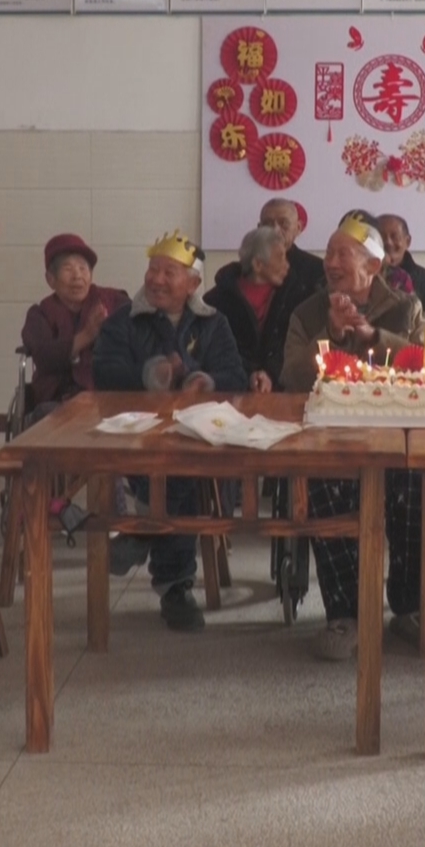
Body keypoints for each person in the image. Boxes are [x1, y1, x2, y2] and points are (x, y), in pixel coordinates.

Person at [281, 218, 425, 661]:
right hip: (332, 440)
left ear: (372, 265)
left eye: (342, 254)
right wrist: (331, 336)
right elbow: (291, 375)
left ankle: (409, 608)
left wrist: (375, 338)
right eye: (329, 253)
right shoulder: (307, 312)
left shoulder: (407, 308)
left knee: (415, 490)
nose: (330, 263)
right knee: (325, 493)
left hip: (397, 437)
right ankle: (346, 614)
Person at [94, 232, 250, 632]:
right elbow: (105, 374)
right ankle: (175, 586)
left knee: (184, 466)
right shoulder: (123, 321)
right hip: (138, 435)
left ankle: (145, 533)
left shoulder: (213, 323)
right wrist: (151, 376)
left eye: (169, 272)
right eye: (153, 269)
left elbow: (234, 375)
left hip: (197, 434)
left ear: (193, 284)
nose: (156, 279)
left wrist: (203, 380)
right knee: (175, 472)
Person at [20, 233, 130, 418]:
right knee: (45, 415)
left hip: (105, 395)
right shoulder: (40, 314)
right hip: (58, 399)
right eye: (68, 268)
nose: (77, 276)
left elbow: (137, 326)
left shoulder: (112, 301)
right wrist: (87, 335)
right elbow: (43, 356)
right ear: (50, 279)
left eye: (83, 268)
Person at [206, 224, 305, 393]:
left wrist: (270, 374)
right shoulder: (217, 300)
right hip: (232, 390)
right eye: (280, 258)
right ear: (258, 265)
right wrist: (250, 374)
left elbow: (293, 346)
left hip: (281, 389)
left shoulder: (295, 297)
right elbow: (218, 350)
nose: (287, 265)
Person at [377, 213, 425, 301]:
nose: (388, 242)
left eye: (395, 237)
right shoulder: (363, 278)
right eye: (381, 237)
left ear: (407, 241)